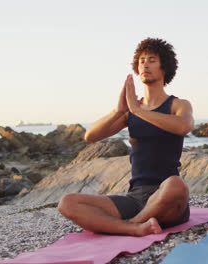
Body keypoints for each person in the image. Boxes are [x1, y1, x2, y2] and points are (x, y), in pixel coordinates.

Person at [58, 38, 194, 236]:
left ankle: (133, 223)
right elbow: (91, 136)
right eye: (141, 60)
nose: (145, 64)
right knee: (68, 203)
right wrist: (118, 111)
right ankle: (135, 228)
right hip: (135, 198)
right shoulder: (130, 110)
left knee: (176, 185)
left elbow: (184, 126)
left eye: (152, 59)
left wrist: (138, 111)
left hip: (166, 196)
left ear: (164, 66)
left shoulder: (177, 105)